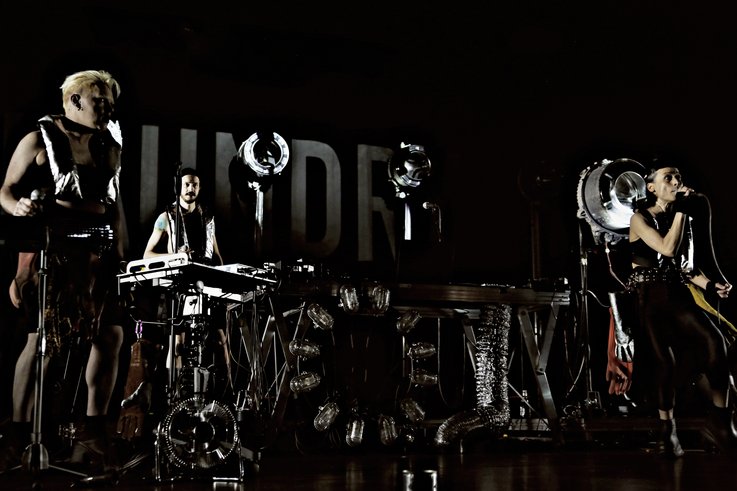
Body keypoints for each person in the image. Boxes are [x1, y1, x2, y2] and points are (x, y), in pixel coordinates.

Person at [0, 69, 125, 471]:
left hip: (97, 254)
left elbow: (114, 204)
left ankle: (92, 430)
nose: (106, 109)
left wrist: (122, 253)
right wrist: (18, 206)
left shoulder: (108, 143)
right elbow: (6, 191)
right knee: (42, 342)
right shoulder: (38, 138)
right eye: (99, 101)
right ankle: (19, 434)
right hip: (53, 251)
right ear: (75, 100)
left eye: (110, 103)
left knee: (110, 335)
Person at [627, 164, 736, 458]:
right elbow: (667, 248)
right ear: (651, 187)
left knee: (715, 343)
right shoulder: (640, 218)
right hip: (649, 299)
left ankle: (720, 422)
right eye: (668, 177)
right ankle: (667, 433)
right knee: (664, 364)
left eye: (678, 177)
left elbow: (684, 267)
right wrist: (682, 212)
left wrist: (710, 285)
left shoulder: (680, 217)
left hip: (676, 294)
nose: (676, 181)